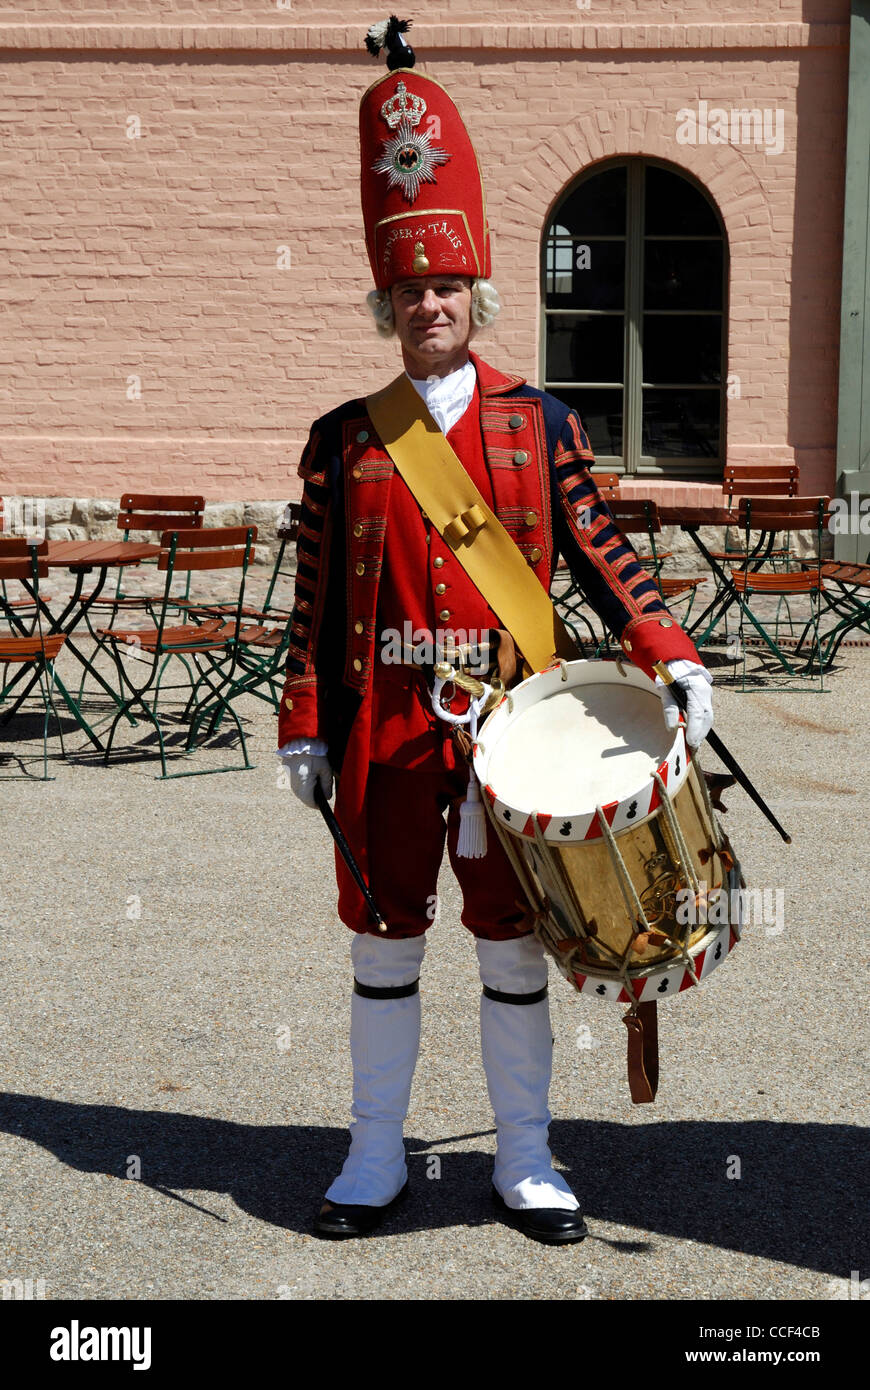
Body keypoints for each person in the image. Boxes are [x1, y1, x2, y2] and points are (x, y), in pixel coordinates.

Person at [278, 19, 713, 1244]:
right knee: (382, 942)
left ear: (480, 295)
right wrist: (304, 720)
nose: (431, 305)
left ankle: (526, 1155)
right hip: (385, 730)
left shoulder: (541, 424)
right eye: (411, 289)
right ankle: (374, 1154)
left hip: (511, 733)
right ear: (388, 302)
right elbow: (310, 599)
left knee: (516, 945)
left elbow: (605, 550)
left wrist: (670, 649)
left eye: (448, 287)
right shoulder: (343, 437)